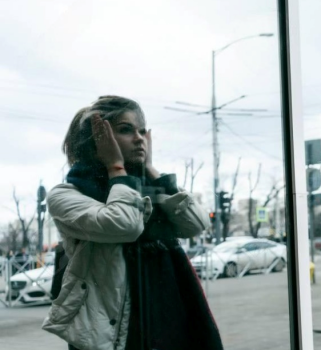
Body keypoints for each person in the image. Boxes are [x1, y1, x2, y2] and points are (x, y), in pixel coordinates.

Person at [43, 96, 223, 350]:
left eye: (141, 130)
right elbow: (125, 225)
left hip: (171, 315)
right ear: (98, 139)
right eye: (126, 130)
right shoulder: (66, 195)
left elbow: (195, 223)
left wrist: (151, 170)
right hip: (118, 330)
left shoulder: (146, 186)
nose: (139, 138)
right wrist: (116, 167)